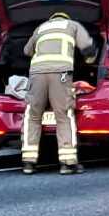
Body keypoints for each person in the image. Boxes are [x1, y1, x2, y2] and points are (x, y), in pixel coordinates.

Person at [22, 12, 94, 175]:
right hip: (60, 74)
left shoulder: (40, 28)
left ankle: (28, 162)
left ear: (52, 19)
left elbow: (27, 51)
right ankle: (68, 163)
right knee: (63, 116)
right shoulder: (73, 25)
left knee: (33, 116)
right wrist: (89, 62)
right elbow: (88, 48)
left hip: (37, 75)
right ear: (66, 18)